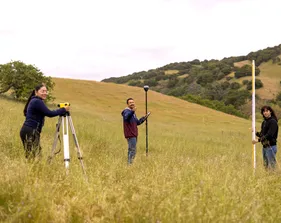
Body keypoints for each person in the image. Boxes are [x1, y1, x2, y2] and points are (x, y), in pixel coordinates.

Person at [20, 84, 70, 159]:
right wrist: (63, 110)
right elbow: (49, 113)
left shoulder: (34, 100)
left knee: (31, 156)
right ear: (36, 92)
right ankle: (34, 170)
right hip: (31, 131)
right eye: (42, 91)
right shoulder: (37, 101)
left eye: (46, 91)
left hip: (28, 130)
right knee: (36, 156)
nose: (45, 93)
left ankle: (31, 170)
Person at [121, 98, 148, 164]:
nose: (132, 103)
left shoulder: (132, 113)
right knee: (132, 150)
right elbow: (126, 117)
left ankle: (129, 163)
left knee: (131, 149)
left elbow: (137, 123)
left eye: (133, 102)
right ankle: (129, 164)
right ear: (127, 104)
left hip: (134, 133)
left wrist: (144, 118)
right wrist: (132, 111)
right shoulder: (126, 111)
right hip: (130, 134)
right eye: (130, 102)